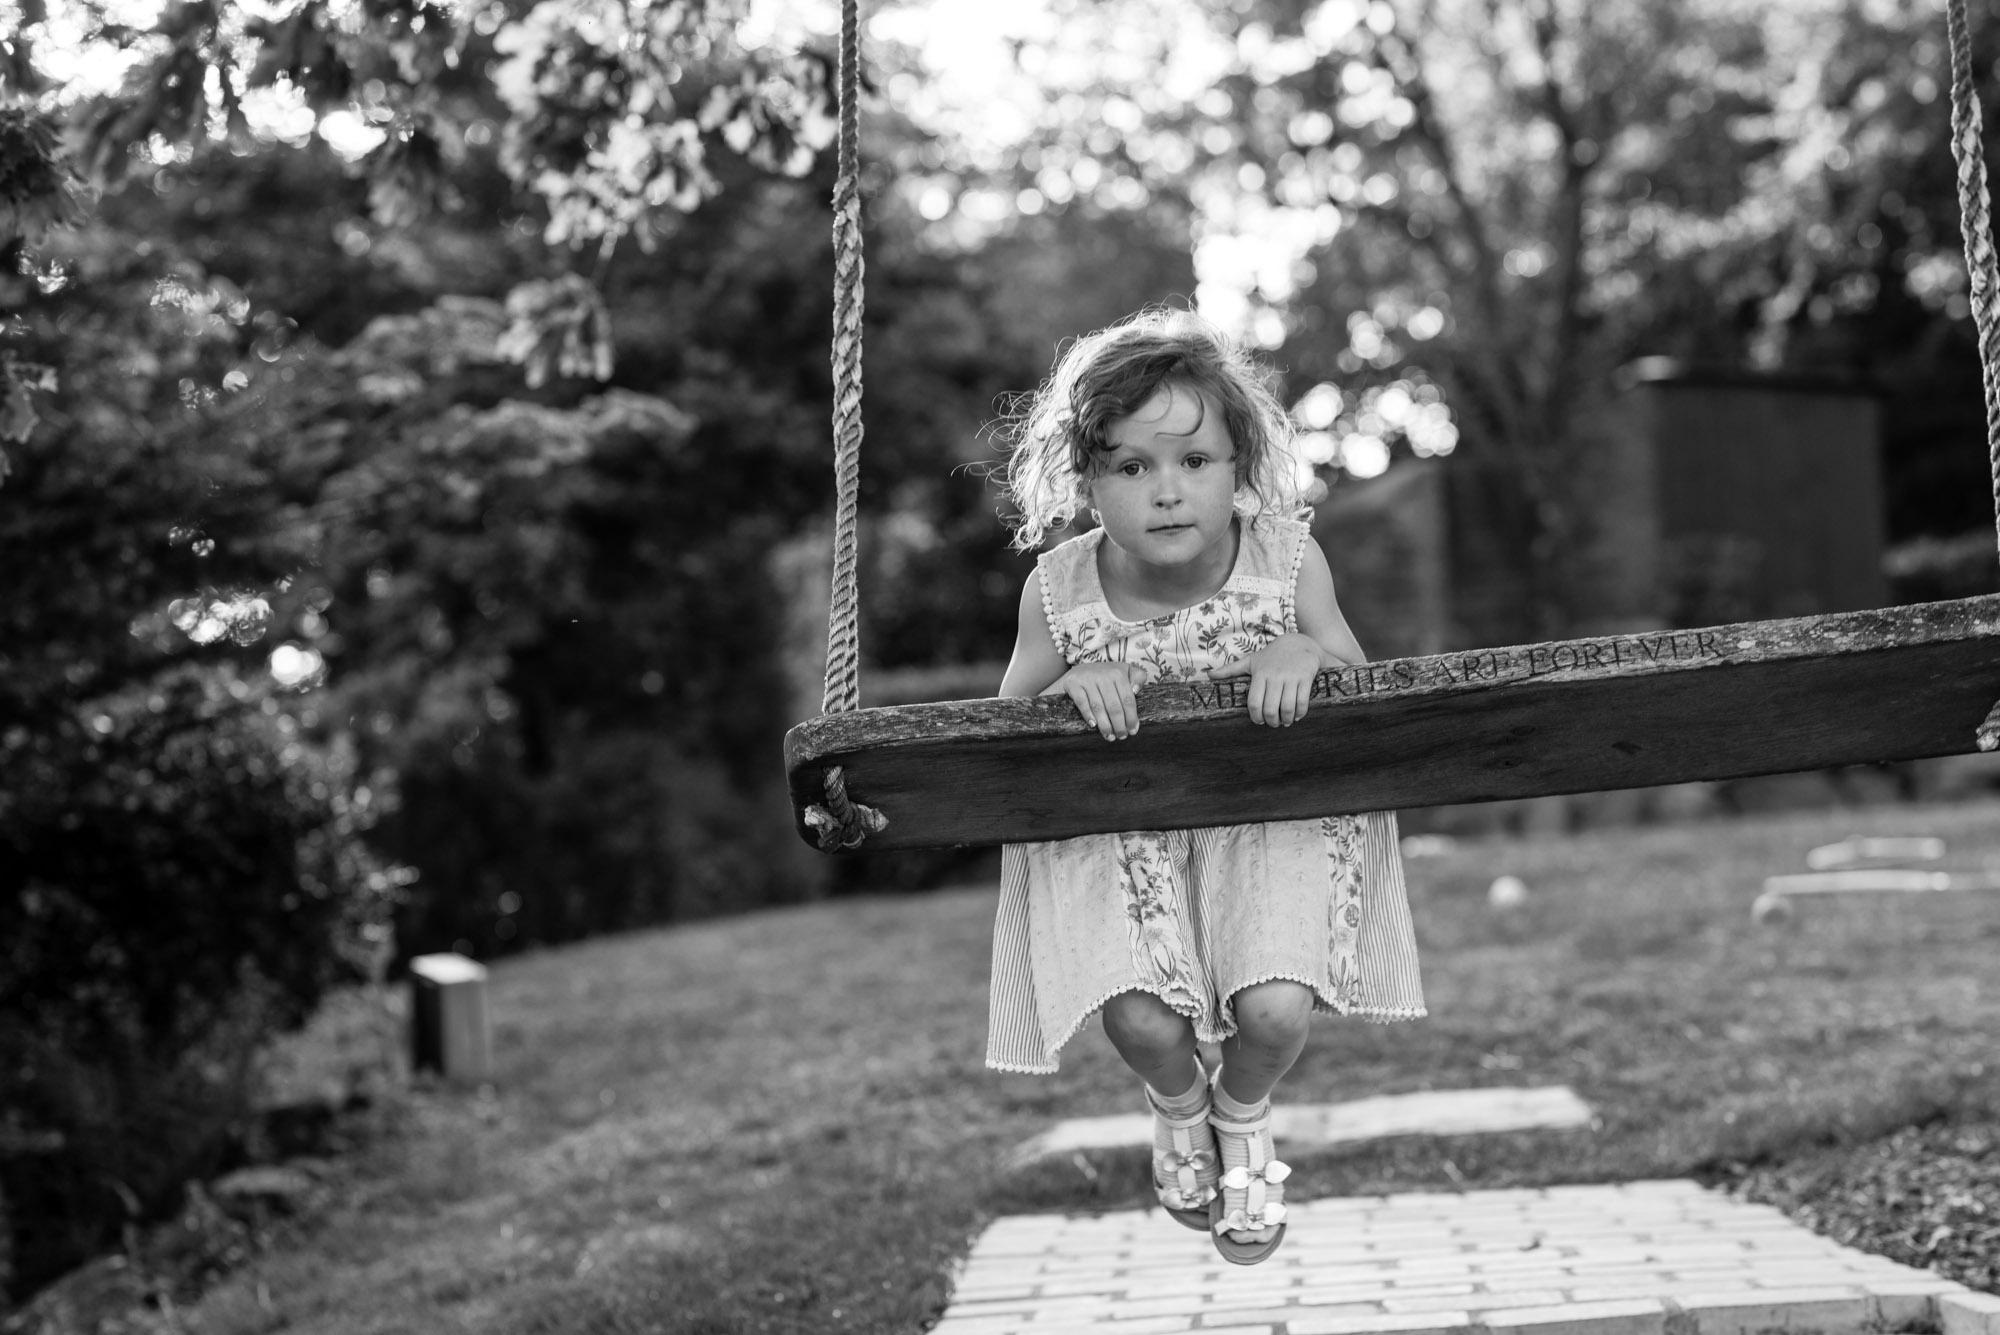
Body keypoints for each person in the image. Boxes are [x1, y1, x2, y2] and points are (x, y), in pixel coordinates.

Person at [985, 307, 1426, 1265]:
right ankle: (1178, 1104)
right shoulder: (1058, 592)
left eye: (1195, 461)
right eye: (1131, 467)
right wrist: (1067, 685)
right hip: (1123, 835)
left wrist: (1303, 648)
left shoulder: (1288, 560)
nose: (1168, 492)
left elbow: (1360, 687)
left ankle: (1241, 1109)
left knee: (1273, 1010)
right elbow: (1000, 736)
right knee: (1141, 1019)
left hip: (1265, 820)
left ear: (1242, 469)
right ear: (1086, 479)